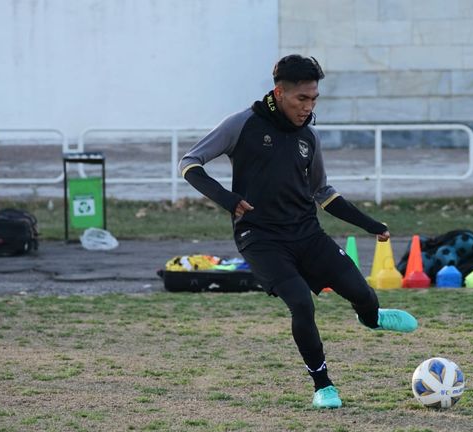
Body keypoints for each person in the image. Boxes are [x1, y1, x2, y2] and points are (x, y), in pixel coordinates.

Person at [179, 55, 418, 409]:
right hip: (260, 240)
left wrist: (370, 225)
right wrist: (228, 199)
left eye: (314, 99)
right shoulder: (242, 124)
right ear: (280, 92)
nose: (308, 107)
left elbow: (323, 192)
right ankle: (324, 386)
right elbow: (190, 163)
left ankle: (372, 318)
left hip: (307, 234)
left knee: (364, 295)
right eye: (301, 99)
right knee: (302, 306)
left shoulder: (309, 137)